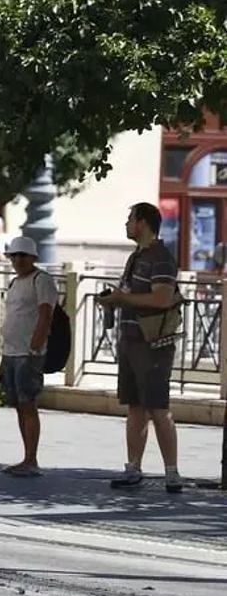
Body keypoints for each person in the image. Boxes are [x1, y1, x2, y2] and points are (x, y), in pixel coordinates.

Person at [99, 202, 183, 493]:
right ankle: (133, 467)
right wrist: (115, 299)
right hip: (131, 341)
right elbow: (134, 294)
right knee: (135, 407)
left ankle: (172, 472)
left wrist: (123, 299)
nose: (126, 224)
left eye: (130, 219)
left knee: (159, 408)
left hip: (154, 345)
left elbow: (161, 299)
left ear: (143, 223)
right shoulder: (136, 256)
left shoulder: (160, 258)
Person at [0, 236, 57, 477]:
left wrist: (35, 347)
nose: (18, 260)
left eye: (23, 255)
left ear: (33, 257)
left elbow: (45, 314)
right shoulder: (14, 283)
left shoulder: (41, 280)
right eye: (15, 255)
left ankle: (32, 459)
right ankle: (26, 458)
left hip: (28, 354)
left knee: (28, 404)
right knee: (19, 406)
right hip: (11, 352)